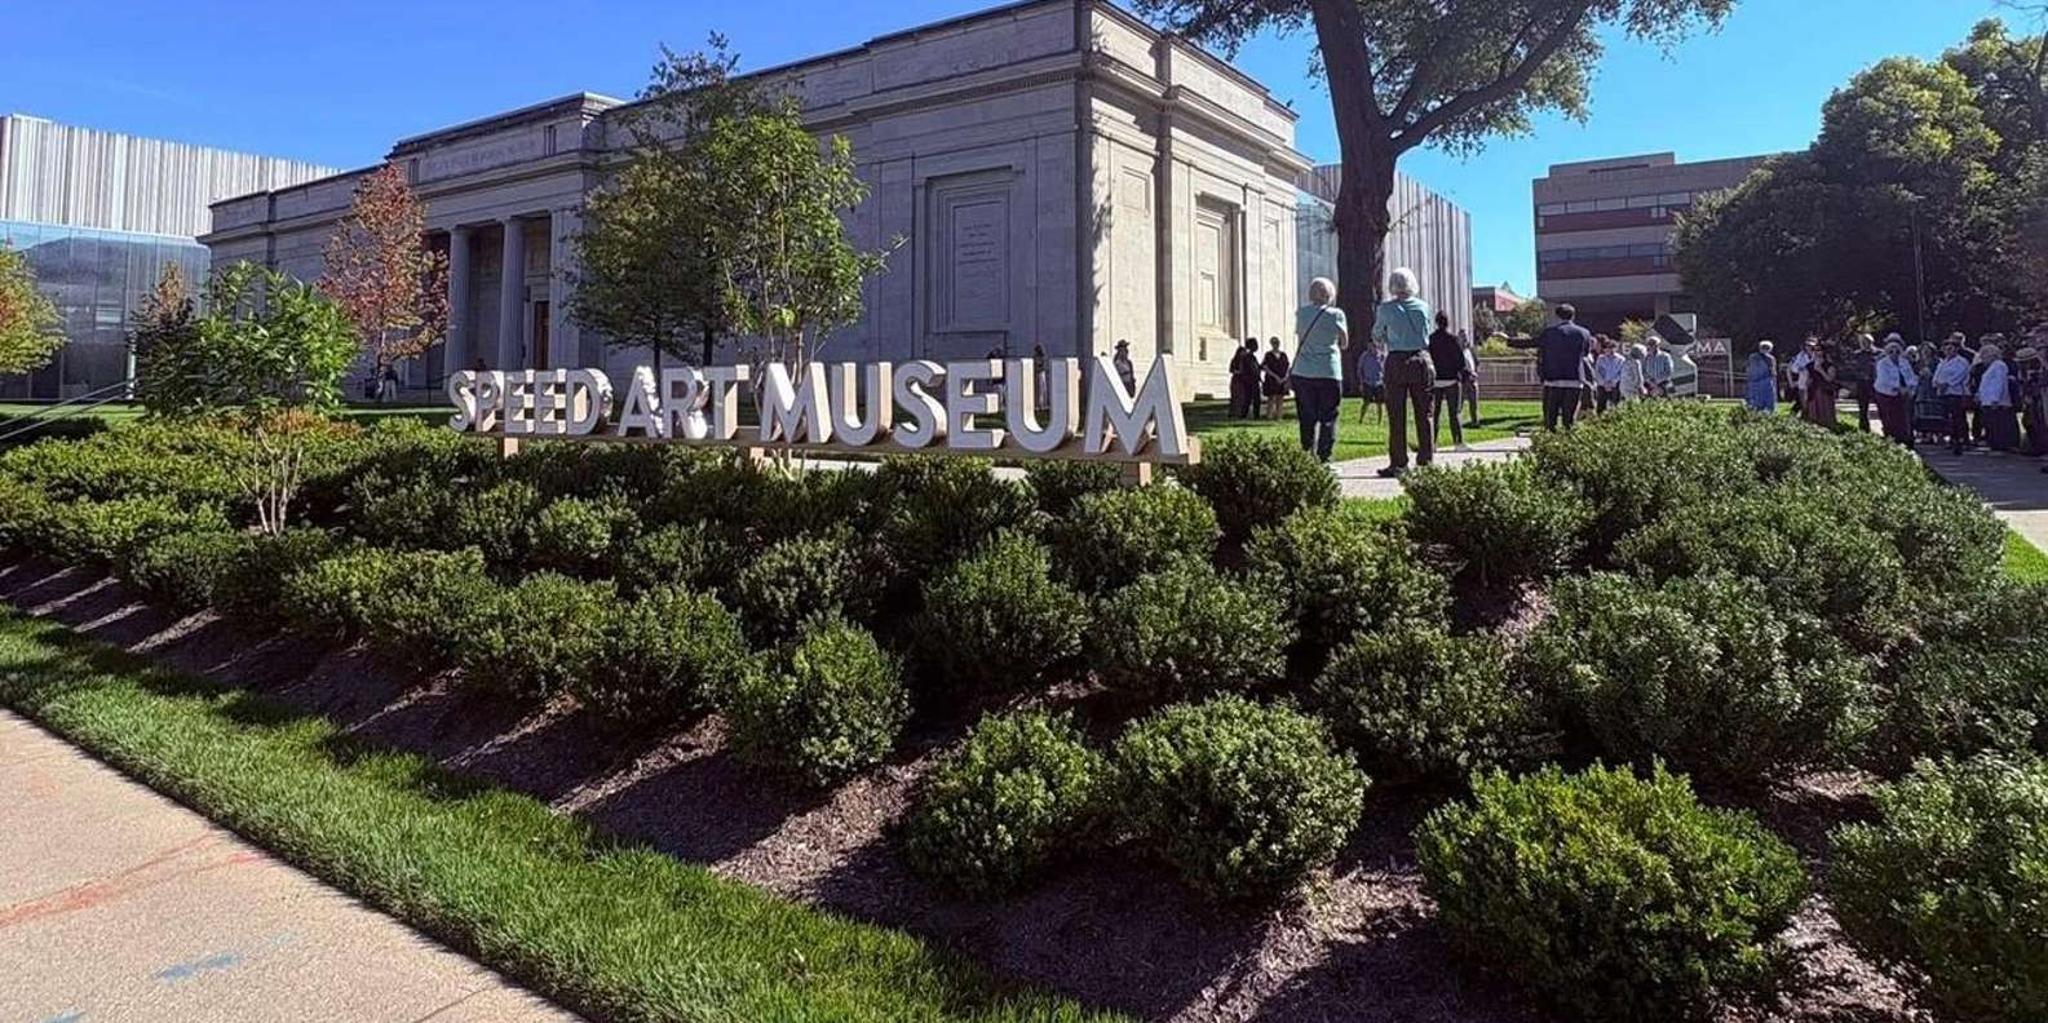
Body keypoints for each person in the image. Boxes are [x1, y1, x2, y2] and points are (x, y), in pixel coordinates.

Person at [1370, 267, 1434, 476]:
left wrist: (1386, 338)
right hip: (1421, 358)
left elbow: (1377, 335)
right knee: (1424, 412)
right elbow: (1427, 331)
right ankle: (1426, 460)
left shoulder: (1385, 309)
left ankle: (1398, 462)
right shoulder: (1423, 307)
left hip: (1397, 359)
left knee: (1396, 414)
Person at [1292, 277, 1350, 462]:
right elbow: (1345, 342)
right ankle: (1325, 455)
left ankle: (1307, 451)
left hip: (1303, 371)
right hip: (1328, 371)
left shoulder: (1301, 313)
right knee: (1328, 416)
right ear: (1329, 295)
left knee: (1306, 415)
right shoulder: (1336, 314)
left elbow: (1300, 335)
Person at [1511, 302, 1593, 431]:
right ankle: (1568, 440)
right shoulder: (1584, 333)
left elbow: (1531, 342)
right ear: (1573, 316)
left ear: (1557, 317)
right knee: (1569, 418)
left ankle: (1550, 439)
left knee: (1551, 418)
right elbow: (1586, 353)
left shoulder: (1549, 333)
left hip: (1553, 379)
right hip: (1574, 379)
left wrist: (1509, 341)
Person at [1427, 310, 1470, 451]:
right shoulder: (1453, 339)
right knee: (1454, 413)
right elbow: (1460, 360)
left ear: (1436, 322)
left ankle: (1432, 443)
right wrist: (1463, 374)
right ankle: (1458, 443)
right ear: (1447, 323)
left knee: (1435, 413)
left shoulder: (1431, 339)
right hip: (1451, 380)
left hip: (1436, 380)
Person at [1933, 336, 1975, 454]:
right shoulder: (1943, 362)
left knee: (1958, 417)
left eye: (1951, 348)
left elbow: (1959, 376)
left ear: (1956, 349)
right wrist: (1936, 383)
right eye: (1946, 348)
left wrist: (1947, 384)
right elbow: (1937, 375)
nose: (1948, 350)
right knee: (1948, 417)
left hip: (1956, 393)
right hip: (1943, 393)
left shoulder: (1962, 362)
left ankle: (1963, 439)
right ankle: (1952, 439)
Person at [1872, 338, 1917, 446]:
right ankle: (1890, 440)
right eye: (1891, 351)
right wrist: (1898, 387)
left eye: (1897, 351)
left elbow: (1910, 376)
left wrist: (1910, 387)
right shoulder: (1882, 363)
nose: (1894, 353)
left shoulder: (1904, 362)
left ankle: (1905, 440)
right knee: (1889, 418)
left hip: (1902, 394)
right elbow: (1884, 379)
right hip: (1885, 393)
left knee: (1903, 418)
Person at [1978, 341, 2018, 451]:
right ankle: (1994, 444)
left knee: (1998, 424)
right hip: (1988, 400)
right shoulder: (1992, 367)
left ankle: (2001, 445)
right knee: (1991, 423)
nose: (1982, 359)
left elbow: (1999, 383)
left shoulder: (1999, 366)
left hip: (1997, 401)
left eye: (1984, 356)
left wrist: (1995, 399)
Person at [1841, 333, 1878, 432]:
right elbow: (1852, 369)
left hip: (1876, 383)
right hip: (1862, 383)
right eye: (1862, 342)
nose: (1864, 344)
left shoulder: (1878, 353)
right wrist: (1860, 375)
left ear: (1871, 342)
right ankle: (1864, 429)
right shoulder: (1857, 355)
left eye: (1867, 342)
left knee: (1881, 407)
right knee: (1863, 408)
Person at [1805, 343, 1841, 427]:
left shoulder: (1829, 365)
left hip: (1825, 392)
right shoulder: (1809, 365)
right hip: (1813, 392)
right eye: (1814, 350)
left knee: (1826, 413)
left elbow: (1830, 379)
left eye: (1818, 350)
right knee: (1813, 413)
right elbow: (1807, 380)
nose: (1816, 352)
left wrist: (1820, 370)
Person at [1228, 338, 1261, 420]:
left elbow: (1256, 367)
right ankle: (1243, 415)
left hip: (1254, 380)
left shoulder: (1253, 357)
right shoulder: (1245, 357)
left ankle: (1256, 415)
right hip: (1248, 380)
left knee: (1256, 399)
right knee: (1247, 398)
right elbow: (1243, 369)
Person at [1260, 336, 1291, 419]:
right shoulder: (1268, 355)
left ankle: (1279, 416)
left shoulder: (1283, 355)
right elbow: (1264, 367)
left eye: (1277, 343)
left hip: (1282, 379)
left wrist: (1285, 377)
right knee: (1271, 397)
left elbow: (1288, 366)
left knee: (1280, 398)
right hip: (1271, 379)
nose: (1275, 344)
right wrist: (1275, 376)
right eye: (1274, 343)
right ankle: (1269, 415)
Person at [1355, 339, 1385, 424]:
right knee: (1366, 402)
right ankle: (1361, 420)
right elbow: (1360, 369)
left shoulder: (1381, 355)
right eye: (1370, 345)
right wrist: (1361, 382)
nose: (1371, 347)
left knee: (1379, 403)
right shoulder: (1364, 356)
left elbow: (1385, 368)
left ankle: (1379, 422)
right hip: (1367, 382)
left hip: (1379, 382)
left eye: (1373, 345)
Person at [1788, 338, 1818, 420]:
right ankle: (1799, 415)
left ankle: (1810, 415)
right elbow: (1793, 367)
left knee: (1812, 398)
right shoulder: (1801, 355)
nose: (1809, 347)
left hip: (1815, 379)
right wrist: (1800, 369)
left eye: (1811, 346)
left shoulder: (1817, 354)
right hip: (1803, 378)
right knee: (1801, 398)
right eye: (1807, 345)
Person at [1593, 339, 1627, 412]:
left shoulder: (1621, 359)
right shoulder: (1600, 359)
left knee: (1615, 406)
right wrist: (1604, 383)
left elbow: (1621, 373)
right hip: (1602, 385)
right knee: (1601, 407)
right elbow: (1597, 372)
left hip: (1615, 386)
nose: (1609, 350)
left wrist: (1612, 383)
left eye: (1611, 347)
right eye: (1607, 348)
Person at [1746, 341, 1779, 412]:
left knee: (1754, 400)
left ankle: (1753, 412)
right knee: (1768, 401)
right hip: (1766, 382)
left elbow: (1748, 369)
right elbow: (1773, 371)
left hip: (1753, 382)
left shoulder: (1752, 357)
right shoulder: (1770, 358)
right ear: (1770, 349)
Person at [1459, 331, 1482, 426]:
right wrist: (1469, 373)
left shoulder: (1471, 350)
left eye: (1465, 337)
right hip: (1463, 380)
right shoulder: (1457, 352)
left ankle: (1475, 421)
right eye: (1462, 337)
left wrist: (1476, 372)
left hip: (1473, 380)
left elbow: (1476, 362)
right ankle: (1458, 422)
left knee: (1474, 403)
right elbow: (1459, 366)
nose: (1465, 339)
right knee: (1459, 404)